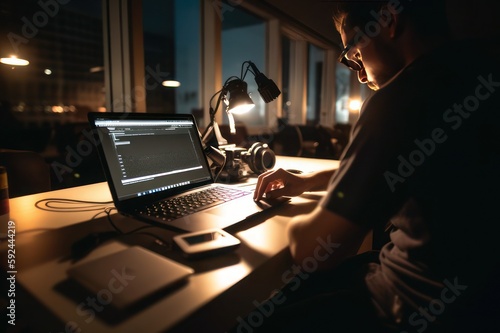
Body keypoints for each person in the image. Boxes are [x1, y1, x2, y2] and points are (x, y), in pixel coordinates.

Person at [240, 1, 500, 332]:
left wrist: (276, 225)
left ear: (388, 21)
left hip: (404, 307)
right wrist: (309, 181)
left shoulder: (402, 98)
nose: (360, 75)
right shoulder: (475, 69)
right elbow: (406, 170)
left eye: (355, 55)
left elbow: (314, 250)